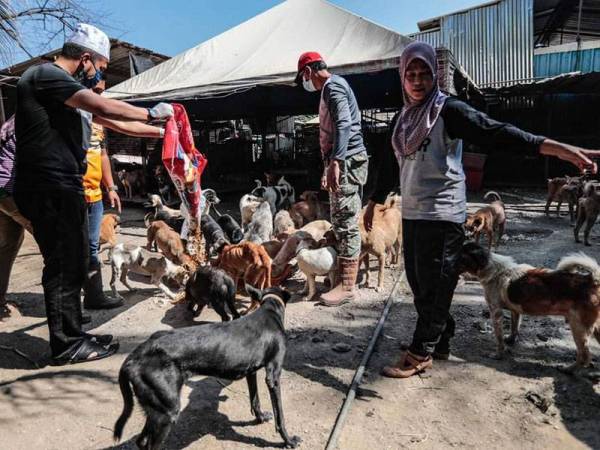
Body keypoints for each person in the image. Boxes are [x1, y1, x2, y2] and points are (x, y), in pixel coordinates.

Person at [366, 41, 599, 378]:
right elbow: (390, 166)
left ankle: (421, 352)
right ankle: (440, 340)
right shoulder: (402, 120)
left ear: (436, 76)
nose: (417, 81)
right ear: (402, 78)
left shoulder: (449, 111)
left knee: (437, 286)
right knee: (419, 284)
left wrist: (555, 149)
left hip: (443, 215)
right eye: (411, 75)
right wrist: (374, 203)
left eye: (424, 74)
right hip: (413, 213)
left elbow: (497, 133)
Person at [14, 23, 174, 365]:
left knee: (73, 262)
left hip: (61, 185)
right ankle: (66, 344)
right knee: (62, 264)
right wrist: (151, 111)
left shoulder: (67, 96)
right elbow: (105, 109)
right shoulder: (45, 76)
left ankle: (73, 335)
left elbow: (115, 123)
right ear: (85, 58)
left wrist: (163, 132)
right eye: (100, 68)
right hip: (48, 185)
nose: (98, 76)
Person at [82, 78, 164, 310]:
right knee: (73, 248)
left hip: (94, 192)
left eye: (101, 92)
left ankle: (93, 295)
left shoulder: (97, 121)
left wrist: (111, 187)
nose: (100, 96)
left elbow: (103, 154)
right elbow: (122, 122)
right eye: (96, 91)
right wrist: (151, 114)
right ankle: (73, 305)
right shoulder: (78, 109)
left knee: (90, 248)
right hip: (72, 191)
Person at [296, 51, 368, 307]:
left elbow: (345, 124)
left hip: (347, 161)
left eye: (303, 77)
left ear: (308, 72)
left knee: (346, 221)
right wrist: (330, 165)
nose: (305, 83)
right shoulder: (333, 87)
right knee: (340, 219)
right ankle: (340, 277)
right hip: (343, 161)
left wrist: (336, 161)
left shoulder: (333, 87)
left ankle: (347, 286)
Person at [0, 116, 33, 319]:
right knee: (54, 242)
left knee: (9, 244)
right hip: (10, 192)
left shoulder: (11, 122)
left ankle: (0, 300)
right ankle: (66, 311)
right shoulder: (29, 122)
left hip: (2, 192)